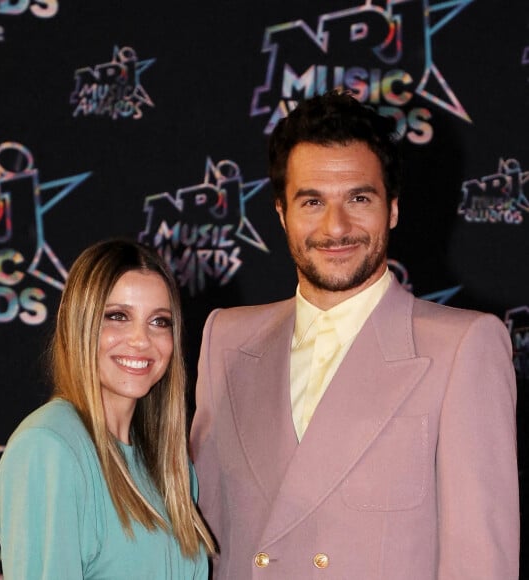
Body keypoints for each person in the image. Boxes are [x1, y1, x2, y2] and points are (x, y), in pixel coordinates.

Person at [190, 91, 519, 579]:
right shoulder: (225, 339)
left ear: (393, 210)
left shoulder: (462, 348)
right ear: (282, 213)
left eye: (359, 198)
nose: (336, 226)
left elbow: (480, 563)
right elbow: (203, 535)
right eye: (313, 201)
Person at [0, 238, 214, 579]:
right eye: (117, 316)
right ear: (80, 324)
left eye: (159, 322)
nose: (141, 340)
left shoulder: (169, 463)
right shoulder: (49, 449)